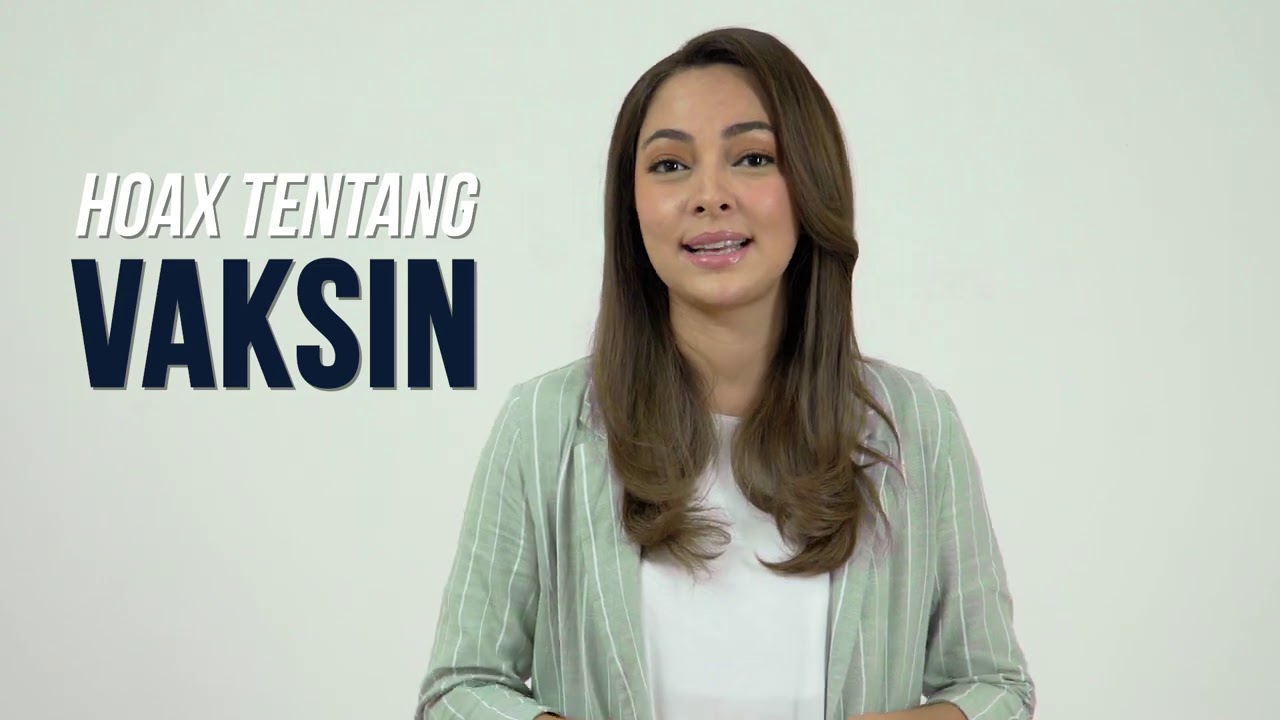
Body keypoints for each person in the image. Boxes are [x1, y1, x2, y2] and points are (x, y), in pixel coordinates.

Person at [415, 26, 1035, 720]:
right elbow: (457, 690)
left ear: (811, 185)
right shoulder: (543, 424)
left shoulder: (915, 426)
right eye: (669, 165)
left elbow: (995, 689)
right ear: (631, 205)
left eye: (752, 157)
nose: (709, 195)